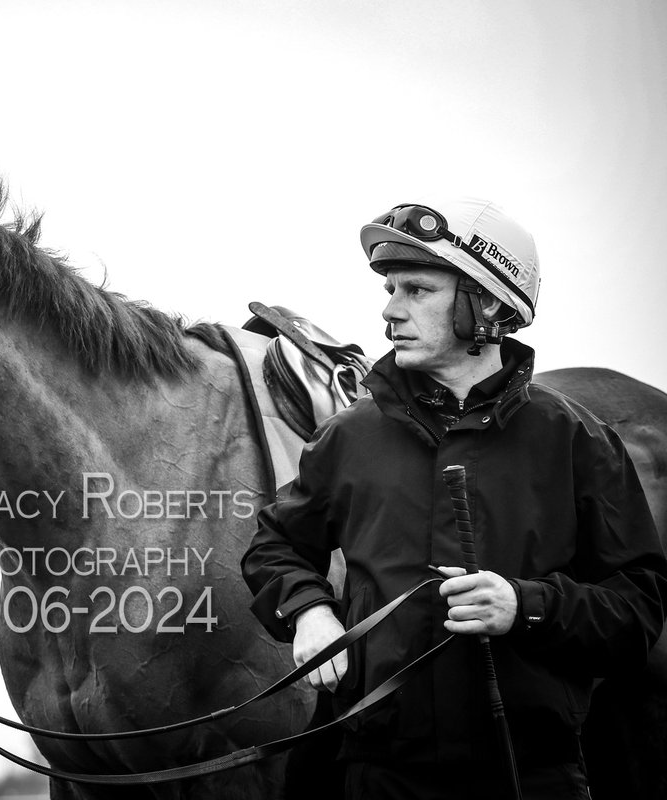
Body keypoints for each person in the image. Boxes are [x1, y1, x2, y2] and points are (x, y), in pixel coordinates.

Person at [241, 196, 667, 799]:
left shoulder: (577, 440)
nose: (389, 310)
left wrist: (527, 606)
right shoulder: (349, 436)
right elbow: (275, 544)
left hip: (534, 777)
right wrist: (307, 609)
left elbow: (639, 609)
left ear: (487, 301)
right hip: (377, 773)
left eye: (416, 290)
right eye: (390, 288)